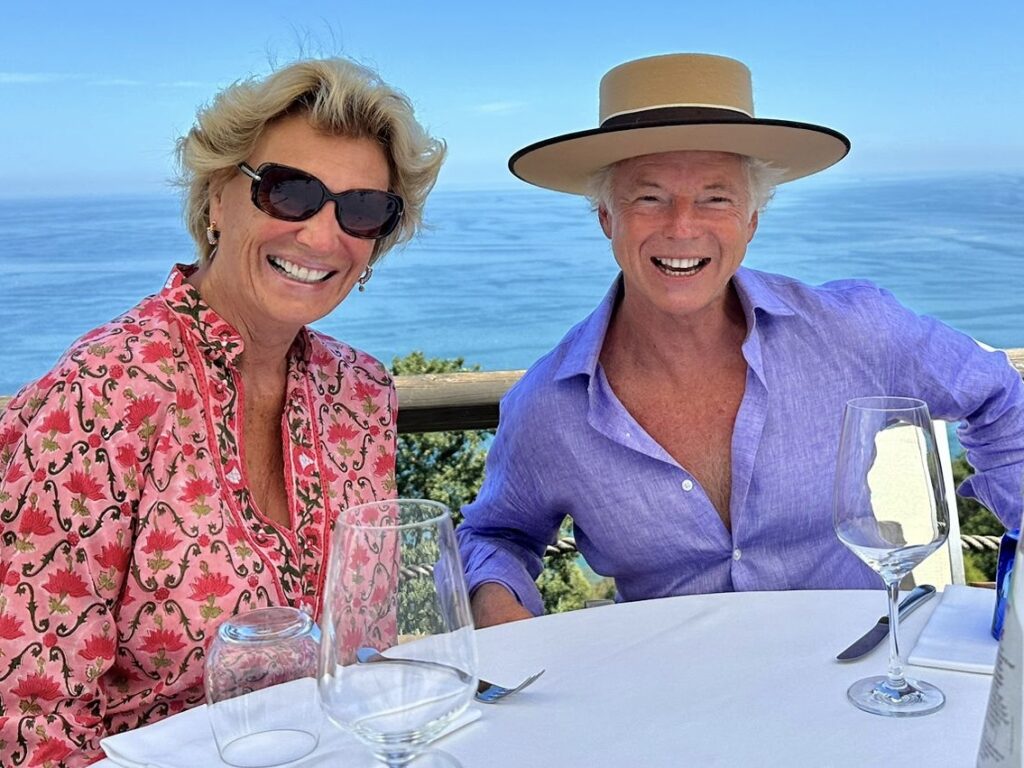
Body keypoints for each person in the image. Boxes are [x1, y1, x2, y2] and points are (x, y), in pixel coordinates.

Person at [456, 52, 1024, 628]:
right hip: (665, 680)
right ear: (607, 217)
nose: (682, 226)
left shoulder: (852, 330)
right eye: (649, 197)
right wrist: (495, 599)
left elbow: (1000, 396)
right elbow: (494, 534)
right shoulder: (549, 407)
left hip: (859, 669)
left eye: (716, 198)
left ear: (751, 219)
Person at [0, 57, 444, 765]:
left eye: (362, 209)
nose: (322, 236)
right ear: (216, 200)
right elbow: (29, 720)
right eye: (288, 192)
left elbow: (365, 654)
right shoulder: (105, 393)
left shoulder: (360, 393)